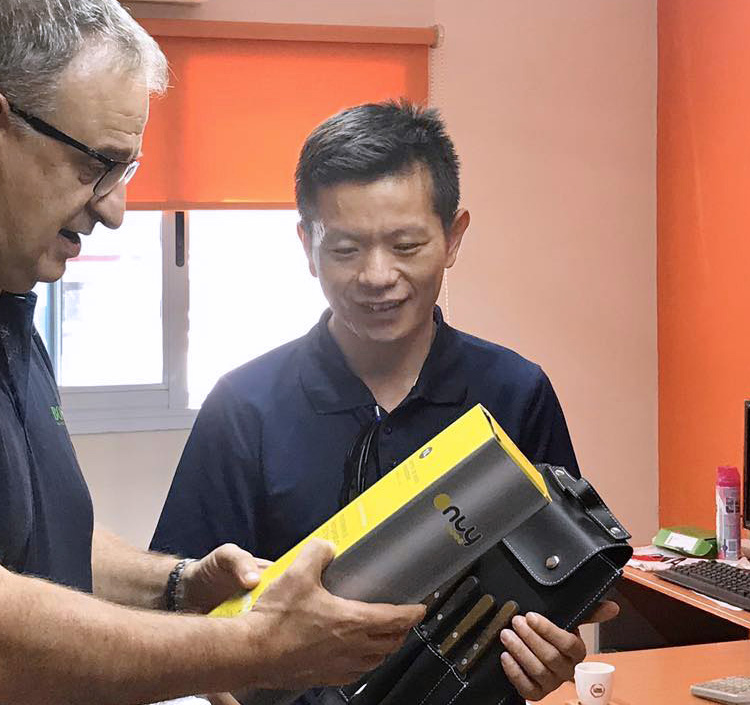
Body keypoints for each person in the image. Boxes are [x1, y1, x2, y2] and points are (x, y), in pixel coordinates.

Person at [0, 4, 425, 703]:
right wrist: (255, 649)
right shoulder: (250, 401)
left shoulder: (16, 305)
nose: (114, 210)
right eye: (94, 165)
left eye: (127, 169)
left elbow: (47, 540)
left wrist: (176, 585)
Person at [151, 101, 619, 705]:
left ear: (453, 238)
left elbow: (556, 582)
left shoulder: (515, 391)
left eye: (406, 244)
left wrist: (548, 655)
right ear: (307, 244)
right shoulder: (244, 407)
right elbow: (182, 609)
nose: (377, 276)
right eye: (346, 249)